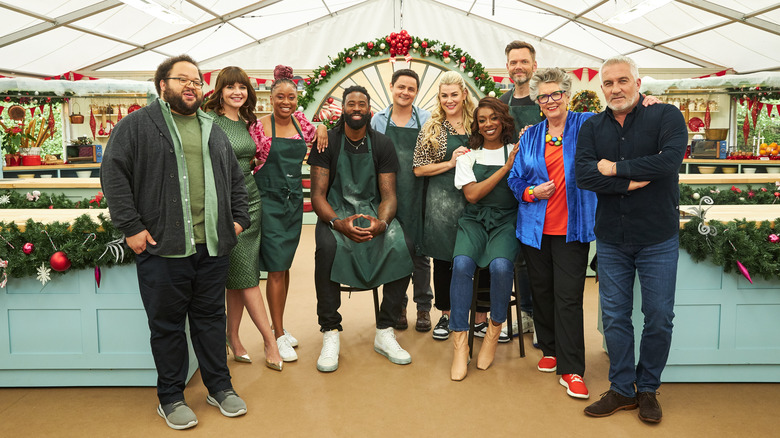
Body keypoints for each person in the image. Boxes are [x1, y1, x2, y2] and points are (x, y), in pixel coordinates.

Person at [101, 54, 249, 430]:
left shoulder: (210, 127)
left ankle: (220, 386)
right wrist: (131, 227)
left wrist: (237, 220)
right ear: (162, 84)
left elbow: (234, 178)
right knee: (167, 325)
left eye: (197, 81)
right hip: (163, 247)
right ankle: (170, 397)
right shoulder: (137, 125)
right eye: (182, 79)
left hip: (212, 247)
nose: (191, 86)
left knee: (211, 320)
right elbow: (113, 175)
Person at [575, 55, 687, 423]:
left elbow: (669, 161)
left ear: (638, 83)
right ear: (601, 88)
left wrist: (616, 168)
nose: (616, 88)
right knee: (615, 317)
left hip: (657, 236)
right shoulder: (592, 127)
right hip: (611, 238)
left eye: (623, 80)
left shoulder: (665, 116)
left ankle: (648, 388)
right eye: (608, 83)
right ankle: (623, 389)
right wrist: (631, 179)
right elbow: (584, 176)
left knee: (658, 317)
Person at [309, 85, 414, 373]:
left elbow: (389, 195)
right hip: (336, 212)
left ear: (369, 110)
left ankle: (385, 329)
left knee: (403, 243)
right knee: (327, 248)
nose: (356, 108)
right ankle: (330, 331)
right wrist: (336, 223)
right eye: (351, 103)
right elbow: (317, 195)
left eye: (362, 104)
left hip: (371, 211)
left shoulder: (382, 144)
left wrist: (382, 223)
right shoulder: (327, 142)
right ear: (342, 108)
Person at [507, 68, 598, 399]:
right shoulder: (530, 135)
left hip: (572, 229)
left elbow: (620, 114)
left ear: (566, 94)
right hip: (534, 228)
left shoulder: (586, 124)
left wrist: (647, 101)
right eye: (543, 96)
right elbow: (515, 180)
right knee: (542, 292)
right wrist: (532, 193)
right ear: (537, 100)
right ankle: (550, 348)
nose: (550, 101)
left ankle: (572, 368)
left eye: (555, 94)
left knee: (569, 298)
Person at [203, 66, 283, 370]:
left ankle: (233, 337)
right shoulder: (209, 121)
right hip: (225, 207)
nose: (238, 92)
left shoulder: (247, 121)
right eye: (230, 87)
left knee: (237, 277)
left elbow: (253, 156)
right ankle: (269, 340)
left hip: (251, 200)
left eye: (243, 87)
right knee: (247, 277)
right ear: (219, 91)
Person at [251, 65, 328, 362]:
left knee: (284, 267)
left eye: (292, 97)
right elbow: (249, 163)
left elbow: (321, 132)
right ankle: (277, 335)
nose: (286, 102)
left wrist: (322, 126)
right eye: (280, 97)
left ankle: (278, 325)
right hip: (268, 202)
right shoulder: (258, 127)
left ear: (297, 99)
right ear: (271, 98)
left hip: (293, 203)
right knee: (275, 268)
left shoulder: (302, 125)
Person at [449, 97, 519, 381]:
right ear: (476, 125)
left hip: (506, 220)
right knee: (462, 264)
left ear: (503, 120)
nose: (488, 124)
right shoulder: (468, 156)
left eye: (493, 118)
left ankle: (493, 331)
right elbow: (472, 195)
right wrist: (505, 169)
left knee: (501, 268)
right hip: (474, 220)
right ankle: (460, 344)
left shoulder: (515, 151)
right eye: (482, 120)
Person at [413, 71, 476, 341]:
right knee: (443, 260)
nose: (449, 100)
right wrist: (450, 163)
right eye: (444, 96)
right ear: (439, 98)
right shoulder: (432, 128)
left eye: (454, 94)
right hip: (441, 201)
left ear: (464, 94)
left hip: (474, 197)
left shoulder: (476, 125)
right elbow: (418, 169)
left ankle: (478, 317)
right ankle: (446, 314)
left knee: (475, 257)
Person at [371, 68, 433, 332]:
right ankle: (397, 307)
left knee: (420, 254)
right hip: (387, 195)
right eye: (401, 87)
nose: (405, 92)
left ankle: (423, 308)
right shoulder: (377, 120)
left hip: (419, 193)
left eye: (411, 89)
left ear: (416, 92)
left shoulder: (428, 119)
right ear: (391, 87)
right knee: (394, 250)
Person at [499, 40, 542, 338]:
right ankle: (525, 314)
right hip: (508, 186)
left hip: (543, 188)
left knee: (539, 256)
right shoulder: (502, 102)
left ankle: (542, 319)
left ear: (534, 66)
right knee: (517, 258)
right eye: (513, 62)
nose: (518, 67)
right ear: (507, 67)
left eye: (524, 62)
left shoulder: (546, 99)